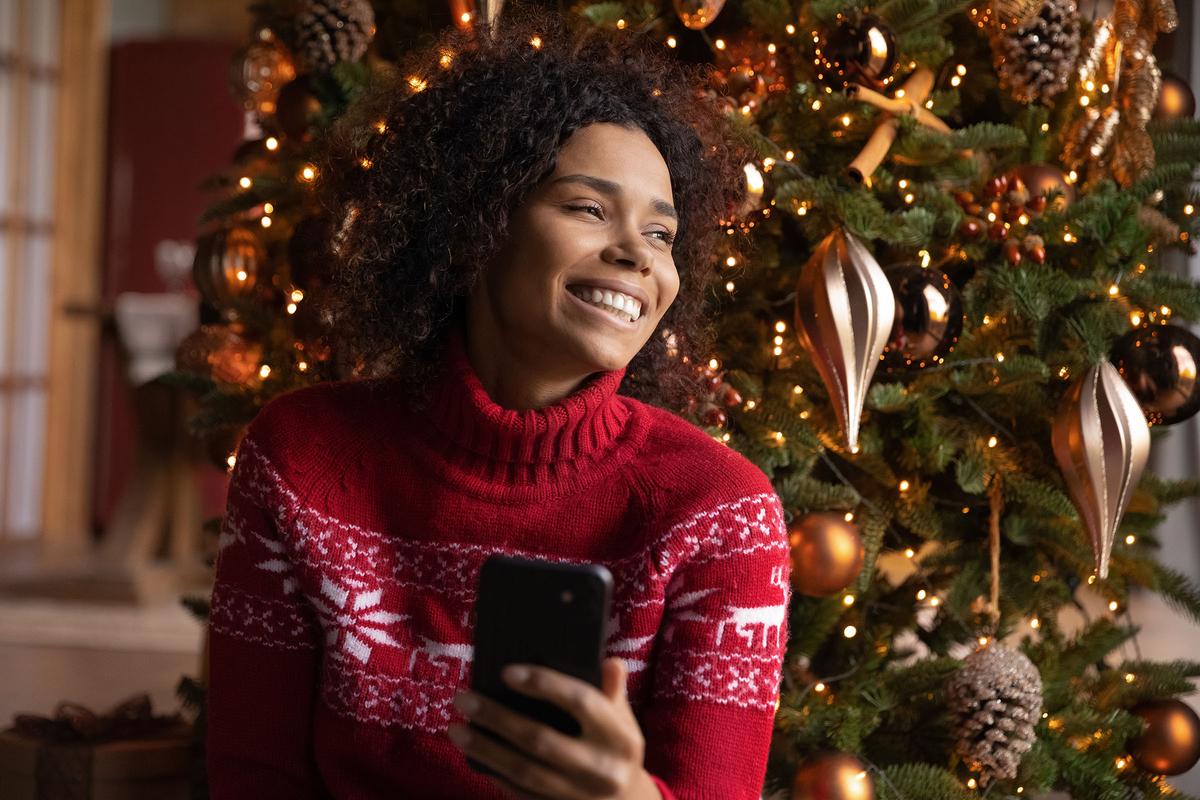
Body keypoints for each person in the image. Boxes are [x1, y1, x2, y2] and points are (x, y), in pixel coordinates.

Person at [205, 6, 793, 798]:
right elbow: (255, 780)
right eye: (589, 209)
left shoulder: (722, 514)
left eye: (661, 235)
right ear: (476, 225)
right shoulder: (301, 458)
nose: (635, 255)